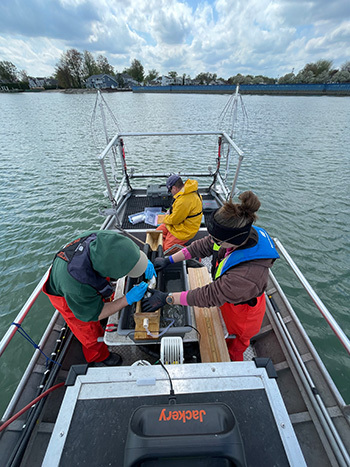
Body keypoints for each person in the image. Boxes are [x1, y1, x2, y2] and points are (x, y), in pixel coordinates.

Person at [143, 191, 279, 361]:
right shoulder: (234, 236)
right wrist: (169, 260)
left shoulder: (247, 275)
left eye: (216, 239)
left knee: (236, 346)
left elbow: (209, 295)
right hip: (228, 298)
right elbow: (202, 246)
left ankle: (232, 368)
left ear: (231, 240)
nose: (212, 241)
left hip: (243, 314)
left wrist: (167, 298)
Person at [43, 230, 154, 366]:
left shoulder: (100, 239)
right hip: (68, 295)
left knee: (102, 299)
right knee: (89, 332)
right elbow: (94, 314)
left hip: (82, 271)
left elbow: (123, 247)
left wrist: (140, 260)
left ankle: (104, 313)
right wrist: (127, 299)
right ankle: (99, 357)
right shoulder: (77, 287)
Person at [156, 174, 203, 253]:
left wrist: (164, 218)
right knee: (156, 234)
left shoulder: (183, 200)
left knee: (168, 249)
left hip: (185, 229)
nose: (171, 192)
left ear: (174, 188)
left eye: (170, 190)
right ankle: (168, 241)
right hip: (179, 222)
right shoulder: (188, 190)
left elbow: (175, 220)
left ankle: (193, 252)